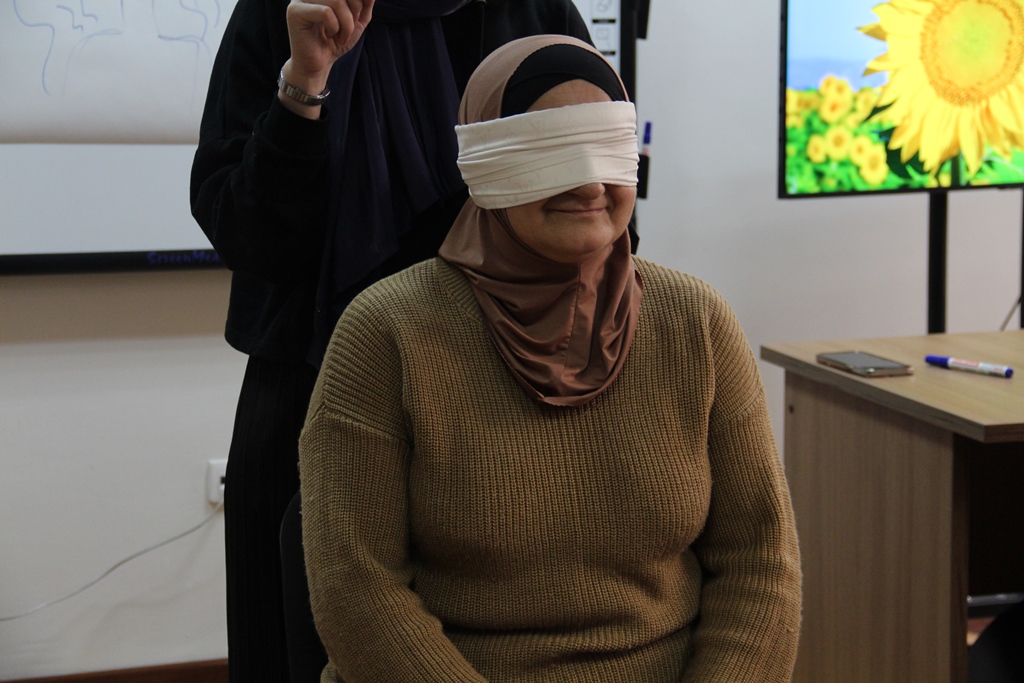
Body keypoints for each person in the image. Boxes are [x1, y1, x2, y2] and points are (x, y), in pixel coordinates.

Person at [298, 34, 802, 683]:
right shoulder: (385, 333)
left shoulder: (697, 323)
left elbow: (761, 561)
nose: (590, 181)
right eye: (551, 150)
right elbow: (355, 588)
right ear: (484, 162)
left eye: (606, 146)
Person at [189, 1, 594, 680]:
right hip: (311, 393)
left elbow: (601, 211)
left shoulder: (532, 9)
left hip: (507, 393)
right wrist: (304, 82)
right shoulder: (283, 11)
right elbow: (245, 232)